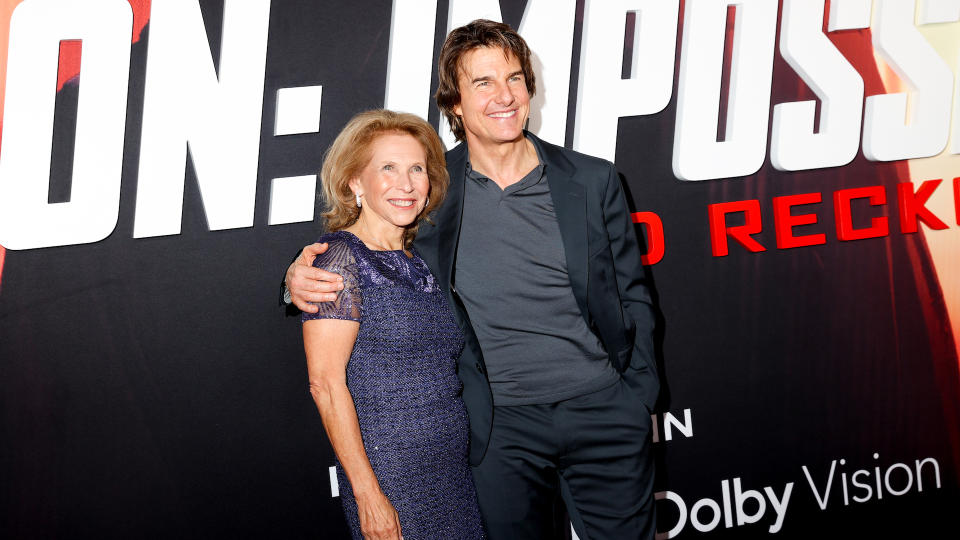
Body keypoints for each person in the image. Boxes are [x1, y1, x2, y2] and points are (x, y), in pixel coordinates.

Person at [288, 20, 658, 539]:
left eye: (514, 78)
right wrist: (294, 280)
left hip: (604, 412)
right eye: (482, 83)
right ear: (455, 104)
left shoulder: (593, 180)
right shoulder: (430, 194)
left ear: (530, 88)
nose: (503, 96)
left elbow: (632, 294)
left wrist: (636, 398)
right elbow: (366, 251)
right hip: (500, 431)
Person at [301, 109, 484, 540]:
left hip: (451, 470)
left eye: (416, 169)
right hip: (390, 473)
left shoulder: (420, 259)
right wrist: (369, 495)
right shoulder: (339, 261)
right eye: (388, 168)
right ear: (355, 182)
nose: (406, 184)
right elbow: (325, 385)